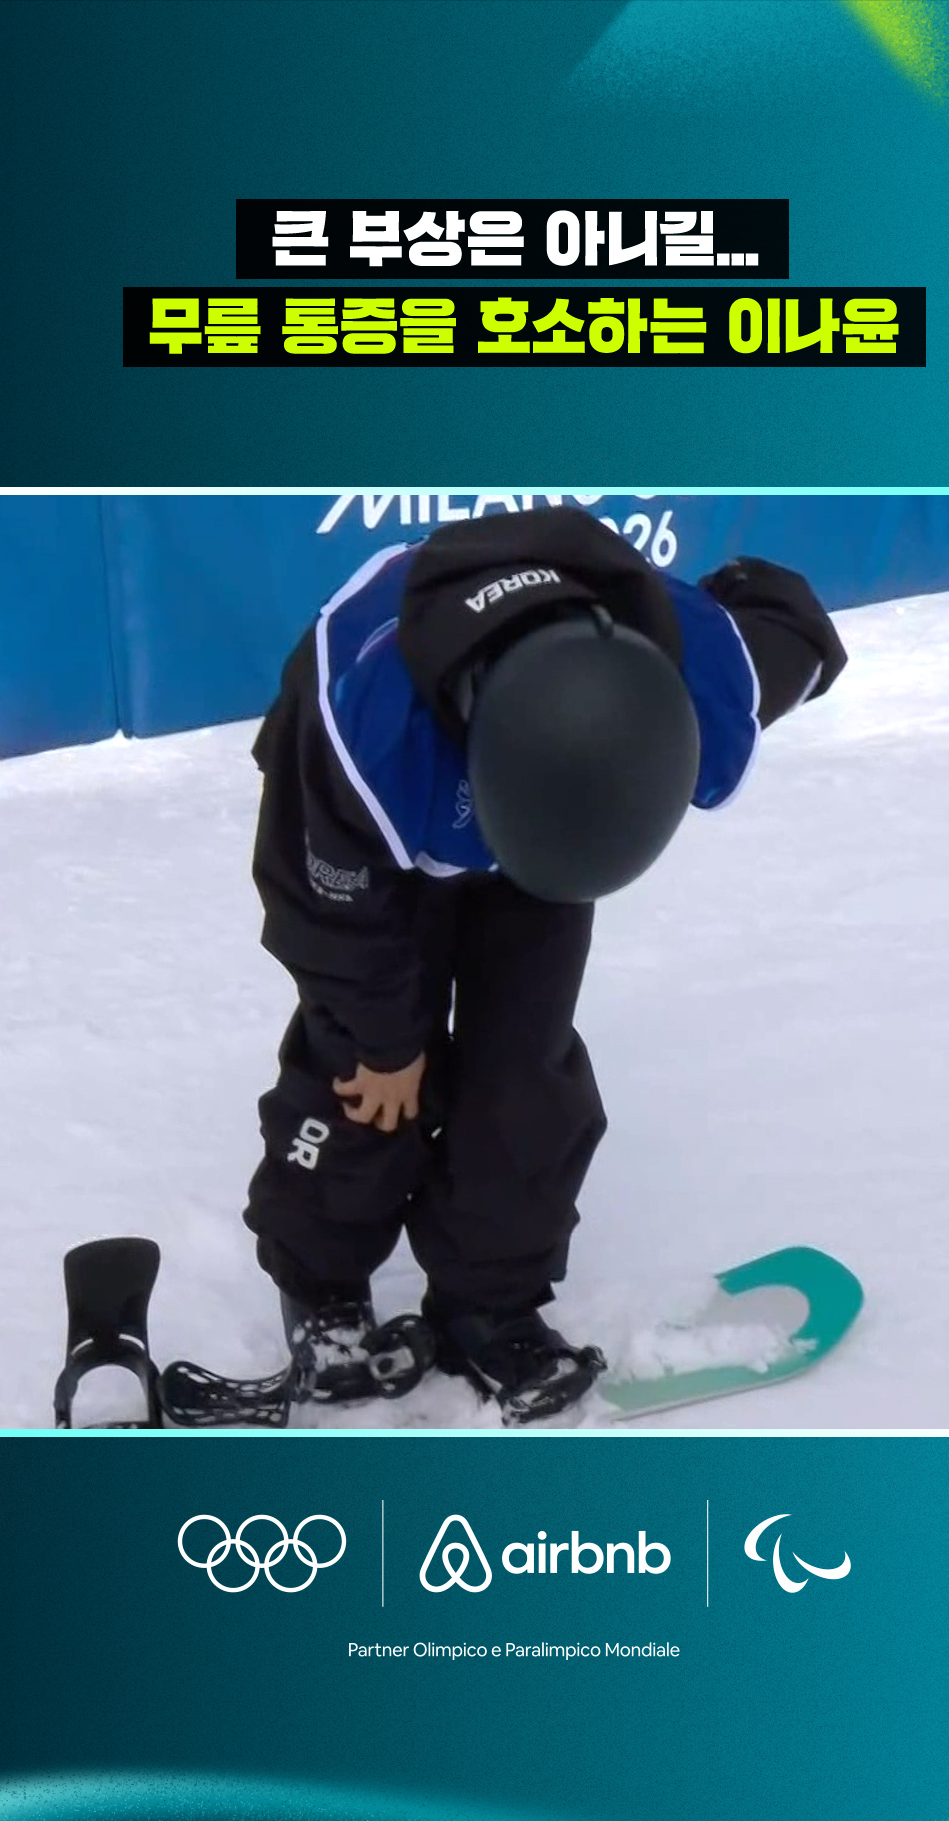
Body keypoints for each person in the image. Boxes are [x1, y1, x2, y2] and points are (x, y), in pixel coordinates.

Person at [242, 506, 847, 1423]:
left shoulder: (698, 681)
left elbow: (791, 627)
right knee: (363, 1069)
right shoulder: (360, 724)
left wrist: (774, 629)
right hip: (386, 840)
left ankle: (488, 1300)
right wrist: (389, 1039)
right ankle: (323, 1283)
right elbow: (319, 908)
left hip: (561, 811)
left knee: (523, 1063)